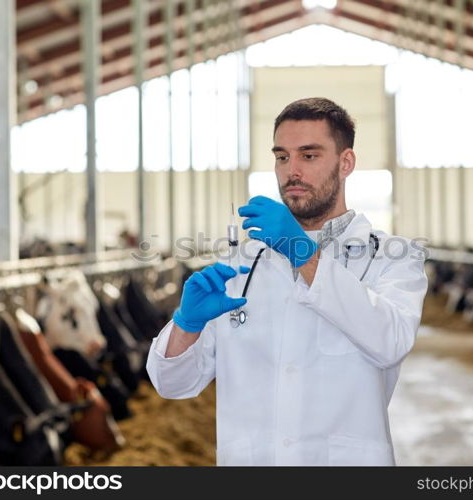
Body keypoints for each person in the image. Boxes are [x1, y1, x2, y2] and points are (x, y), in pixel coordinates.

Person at [146, 97, 428, 466]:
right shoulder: (241, 266)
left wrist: (303, 254)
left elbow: (390, 341)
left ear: (346, 163)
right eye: (282, 157)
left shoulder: (391, 256)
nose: (291, 171)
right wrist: (187, 325)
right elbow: (174, 385)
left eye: (308, 156)